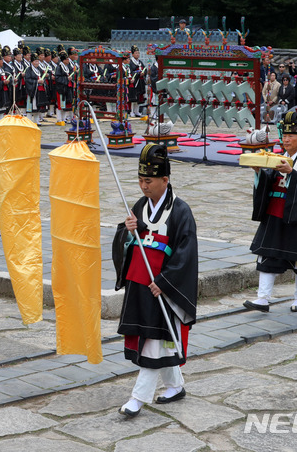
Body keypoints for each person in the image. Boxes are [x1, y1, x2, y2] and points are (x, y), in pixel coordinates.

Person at [113, 144, 198, 417]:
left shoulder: (181, 212)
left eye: (148, 180)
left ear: (165, 179)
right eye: (140, 180)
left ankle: (138, 399)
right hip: (140, 283)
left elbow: (186, 253)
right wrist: (127, 233)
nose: (143, 186)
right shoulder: (139, 206)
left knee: (153, 342)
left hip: (161, 287)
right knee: (159, 340)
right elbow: (127, 241)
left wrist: (165, 281)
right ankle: (175, 385)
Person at [243, 111, 297, 313]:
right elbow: (268, 179)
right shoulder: (278, 157)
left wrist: (292, 173)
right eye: (284, 136)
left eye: (291, 136)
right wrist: (259, 171)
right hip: (274, 212)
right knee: (267, 253)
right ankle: (262, 298)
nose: (286, 140)